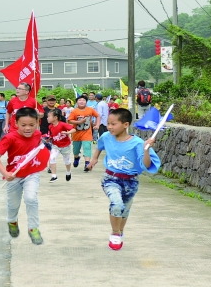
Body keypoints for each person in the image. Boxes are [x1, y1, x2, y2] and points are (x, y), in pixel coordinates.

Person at [87, 108, 160, 250]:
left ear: (125, 125)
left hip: (131, 182)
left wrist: (146, 150)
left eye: (113, 124)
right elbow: (99, 146)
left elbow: (146, 165)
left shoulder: (137, 143)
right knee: (117, 204)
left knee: (124, 211)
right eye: (108, 123)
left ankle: (119, 232)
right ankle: (115, 233)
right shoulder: (107, 136)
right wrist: (94, 159)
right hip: (110, 178)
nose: (109, 127)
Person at [0, 107, 46, 245]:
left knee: (31, 198)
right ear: (16, 124)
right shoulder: (10, 137)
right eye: (23, 125)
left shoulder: (38, 135)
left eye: (31, 125)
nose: (28, 128)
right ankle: (12, 221)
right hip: (13, 176)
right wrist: (5, 173)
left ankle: (33, 228)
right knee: (13, 205)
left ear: (37, 123)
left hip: (31, 174)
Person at [67, 95, 100, 172]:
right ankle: (76, 157)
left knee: (87, 147)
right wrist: (79, 122)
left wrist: (97, 124)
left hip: (87, 133)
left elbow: (98, 116)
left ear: (86, 102)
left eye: (83, 100)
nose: (81, 101)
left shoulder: (90, 110)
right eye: (79, 100)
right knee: (76, 150)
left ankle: (87, 164)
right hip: (76, 134)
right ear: (77, 102)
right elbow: (69, 120)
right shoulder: (74, 111)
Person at [46, 108, 75, 182]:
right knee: (52, 157)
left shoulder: (62, 124)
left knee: (67, 161)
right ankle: (54, 176)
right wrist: (49, 138)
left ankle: (68, 172)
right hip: (56, 145)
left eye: (49, 116)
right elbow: (53, 135)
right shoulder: (50, 126)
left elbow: (73, 129)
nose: (47, 118)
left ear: (55, 118)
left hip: (65, 146)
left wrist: (68, 133)